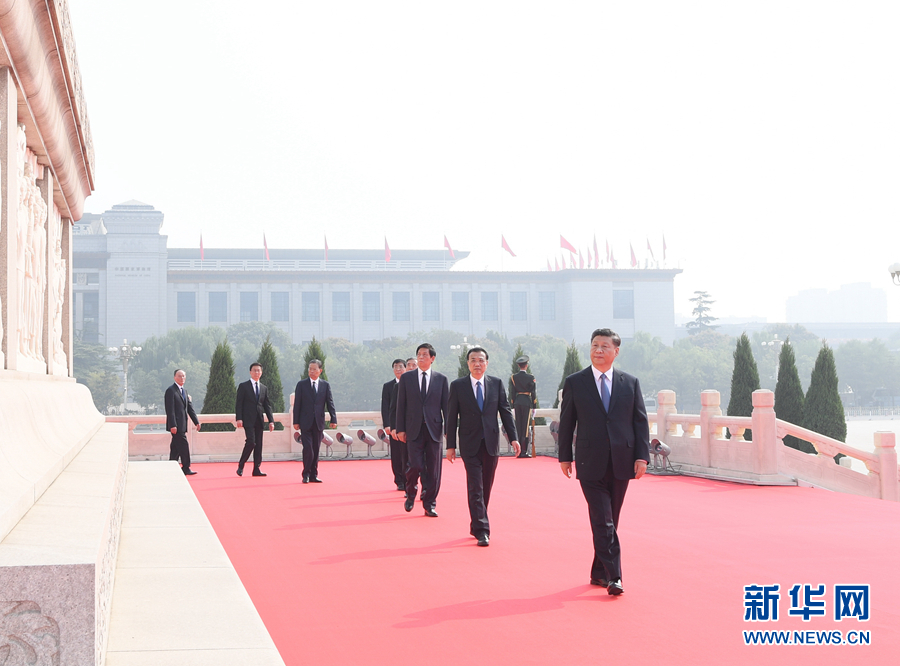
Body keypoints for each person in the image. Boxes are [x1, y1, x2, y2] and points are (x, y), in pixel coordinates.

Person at [557, 328, 650, 596]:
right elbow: (567, 422)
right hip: (590, 462)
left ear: (616, 351)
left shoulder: (629, 382)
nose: (598, 350)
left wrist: (642, 456)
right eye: (595, 345)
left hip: (622, 460)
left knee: (611, 519)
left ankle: (599, 572)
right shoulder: (576, 382)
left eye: (604, 346)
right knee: (603, 519)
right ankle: (614, 576)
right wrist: (565, 456)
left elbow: (640, 421)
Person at [446, 347, 520, 546]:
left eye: (481, 360)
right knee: (475, 486)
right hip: (469, 444)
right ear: (467, 363)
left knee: (485, 486)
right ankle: (482, 530)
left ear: (487, 363)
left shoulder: (496, 383)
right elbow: (451, 417)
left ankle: (477, 522)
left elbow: (505, 411)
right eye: (473, 360)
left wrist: (513, 438)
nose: (477, 364)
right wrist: (450, 445)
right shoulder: (458, 386)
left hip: (490, 443)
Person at [395, 343, 449, 517]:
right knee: (415, 465)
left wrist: (448, 430)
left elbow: (446, 407)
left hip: (434, 430)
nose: (421, 357)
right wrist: (400, 429)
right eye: (419, 354)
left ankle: (429, 503)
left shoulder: (441, 379)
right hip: (413, 429)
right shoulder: (407, 378)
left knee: (433, 470)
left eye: (425, 354)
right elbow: (401, 405)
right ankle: (411, 492)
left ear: (432, 358)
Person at [293, 359, 337, 483]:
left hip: (318, 422)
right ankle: (305, 474)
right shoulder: (301, 385)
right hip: (305, 422)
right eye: (310, 369)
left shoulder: (325, 385)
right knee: (308, 448)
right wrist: (296, 421)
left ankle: (314, 475)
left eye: (314, 369)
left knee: (316, 449)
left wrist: (333, 419)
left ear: (320, 371)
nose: (311, 371)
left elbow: (330, 402)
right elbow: (297, 404)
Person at [235, 362, 275, 477]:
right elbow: (239, 403)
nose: (257, 372)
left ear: (261, 373)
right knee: (251, 442)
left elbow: (267, 405)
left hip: (259, 420)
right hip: (247, 419)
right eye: (254, 370)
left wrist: (271, 421)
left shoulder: (263, 388)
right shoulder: (244, 386)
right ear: (250, 372)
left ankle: (256, 469)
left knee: (258, 445)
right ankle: (241, 465)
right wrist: (239, 418)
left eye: (259, 370)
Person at [164, 369, 201, 475]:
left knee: (175, 447)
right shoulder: (171, 390)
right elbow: (170, 410)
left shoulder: (184, 391)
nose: (182, 378)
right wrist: (173, 425)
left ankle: (171, 466)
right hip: (176, 425)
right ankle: (186, 467)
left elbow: (189, 408)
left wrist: (196, 422)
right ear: (174, 377)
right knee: (184, 445)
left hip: (183, 424)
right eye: (179, 376)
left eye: (183, 376)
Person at [382, 358, 407, 490]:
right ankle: (399, 480)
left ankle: (409, 479)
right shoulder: (388, 386)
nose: (398, 369)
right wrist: (388, 425)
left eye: (400, 367)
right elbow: (385, 407)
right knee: (397, 454)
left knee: (408, 454)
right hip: (395, 426)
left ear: (405, 369)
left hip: (408, 426)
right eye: (395, 367)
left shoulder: (410, 384)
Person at [510, 355, 537, 458]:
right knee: (525, 427)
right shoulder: (530, 377)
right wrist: (534, 406)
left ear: (518, 366)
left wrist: (513, 405)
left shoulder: (514, 377)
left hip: (517, 402)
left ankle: (518, 450)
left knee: (518, 426)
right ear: (526, 365)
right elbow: (533, 392)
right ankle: (523, 451)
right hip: (526, 402)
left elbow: (512, 392)